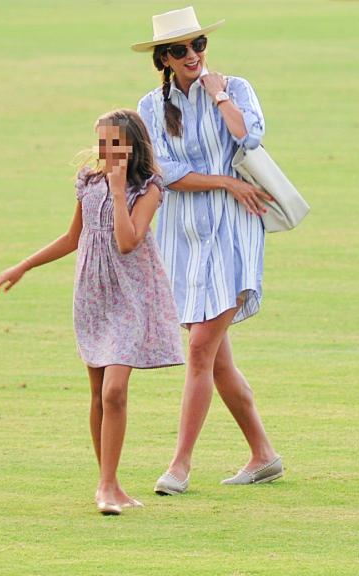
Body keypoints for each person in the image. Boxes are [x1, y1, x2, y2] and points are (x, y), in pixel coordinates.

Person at [0, 110, 185, 515]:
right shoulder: (88, 182)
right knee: (98, 392)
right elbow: (72, 237)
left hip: (132, 297)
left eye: (115, 143)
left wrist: (119, 192)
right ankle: (110, 485)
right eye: (103, 143)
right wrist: (23, 266)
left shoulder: (148, 189)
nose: (107, 151)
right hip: (93, 294)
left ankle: (105, 487)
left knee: (115, 390)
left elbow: (127, 242)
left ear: (132, 144)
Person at [131, 6, 281, 494]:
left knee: (198, 350)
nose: (192, 55)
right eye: (180, 49)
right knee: (216, 361)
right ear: (164, 59)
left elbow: (250, 137)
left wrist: (218, 97)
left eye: (198, 45)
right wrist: (224, 182)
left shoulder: (235, 87)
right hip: (182, 240)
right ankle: (263, 455)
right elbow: (168, 173)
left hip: (236, 233)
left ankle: (180, 465)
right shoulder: (151, 108)